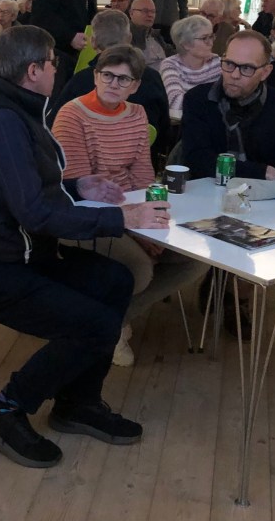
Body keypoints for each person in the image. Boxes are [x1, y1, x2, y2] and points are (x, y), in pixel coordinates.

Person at [0, 25, 156, 468]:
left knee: (116, 280)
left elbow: (25, 191)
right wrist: (121, 218)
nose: (58, 70)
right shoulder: (1, 121)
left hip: (18, 252)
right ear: (34, 70)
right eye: (54, 63)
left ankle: (77, 402)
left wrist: (77, 186)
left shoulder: (16, 108)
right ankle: (4, 410)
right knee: (96, 324)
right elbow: (35, 213)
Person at [52, 45, 206, 366]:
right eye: (107, 75)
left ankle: (113, 322)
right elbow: (82, 189)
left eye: (124, 79)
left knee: (195, 258)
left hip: (133, 210)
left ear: (135, 86)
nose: (114, 83)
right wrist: (137, 232)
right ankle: (102, 326)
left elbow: (143, 176)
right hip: (86, 217)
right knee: (141, 269)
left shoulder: (136, 114)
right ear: (95, 76)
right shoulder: (71, 115)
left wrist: (151, 220)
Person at [182, 31, 275, 191]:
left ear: (265, 72)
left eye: (246, 68)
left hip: (264, 197)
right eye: (229, 64)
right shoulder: (198, 99)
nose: (235, 75)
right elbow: (197, 160)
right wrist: (262, 172)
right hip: (204, 192)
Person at [49, 9, 169, 157]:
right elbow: (164, 131)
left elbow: (54, 127)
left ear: (93, 42)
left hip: (90, 163)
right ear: (129, 38)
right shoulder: (152, 78)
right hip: (144, 157)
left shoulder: (81, 81)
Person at [159, 15, 220, 112]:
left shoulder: (217, 62)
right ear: (186, 44)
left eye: (211, 37)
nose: (211, 43)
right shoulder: (170, 65)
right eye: (204, 38)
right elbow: (175, 102)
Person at [127, 0, 171, 72]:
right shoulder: (126, 37)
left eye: (153, 11)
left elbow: (171, 53)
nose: (150, 15)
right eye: (145, 11)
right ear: (131, 13)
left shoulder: (156, 35)